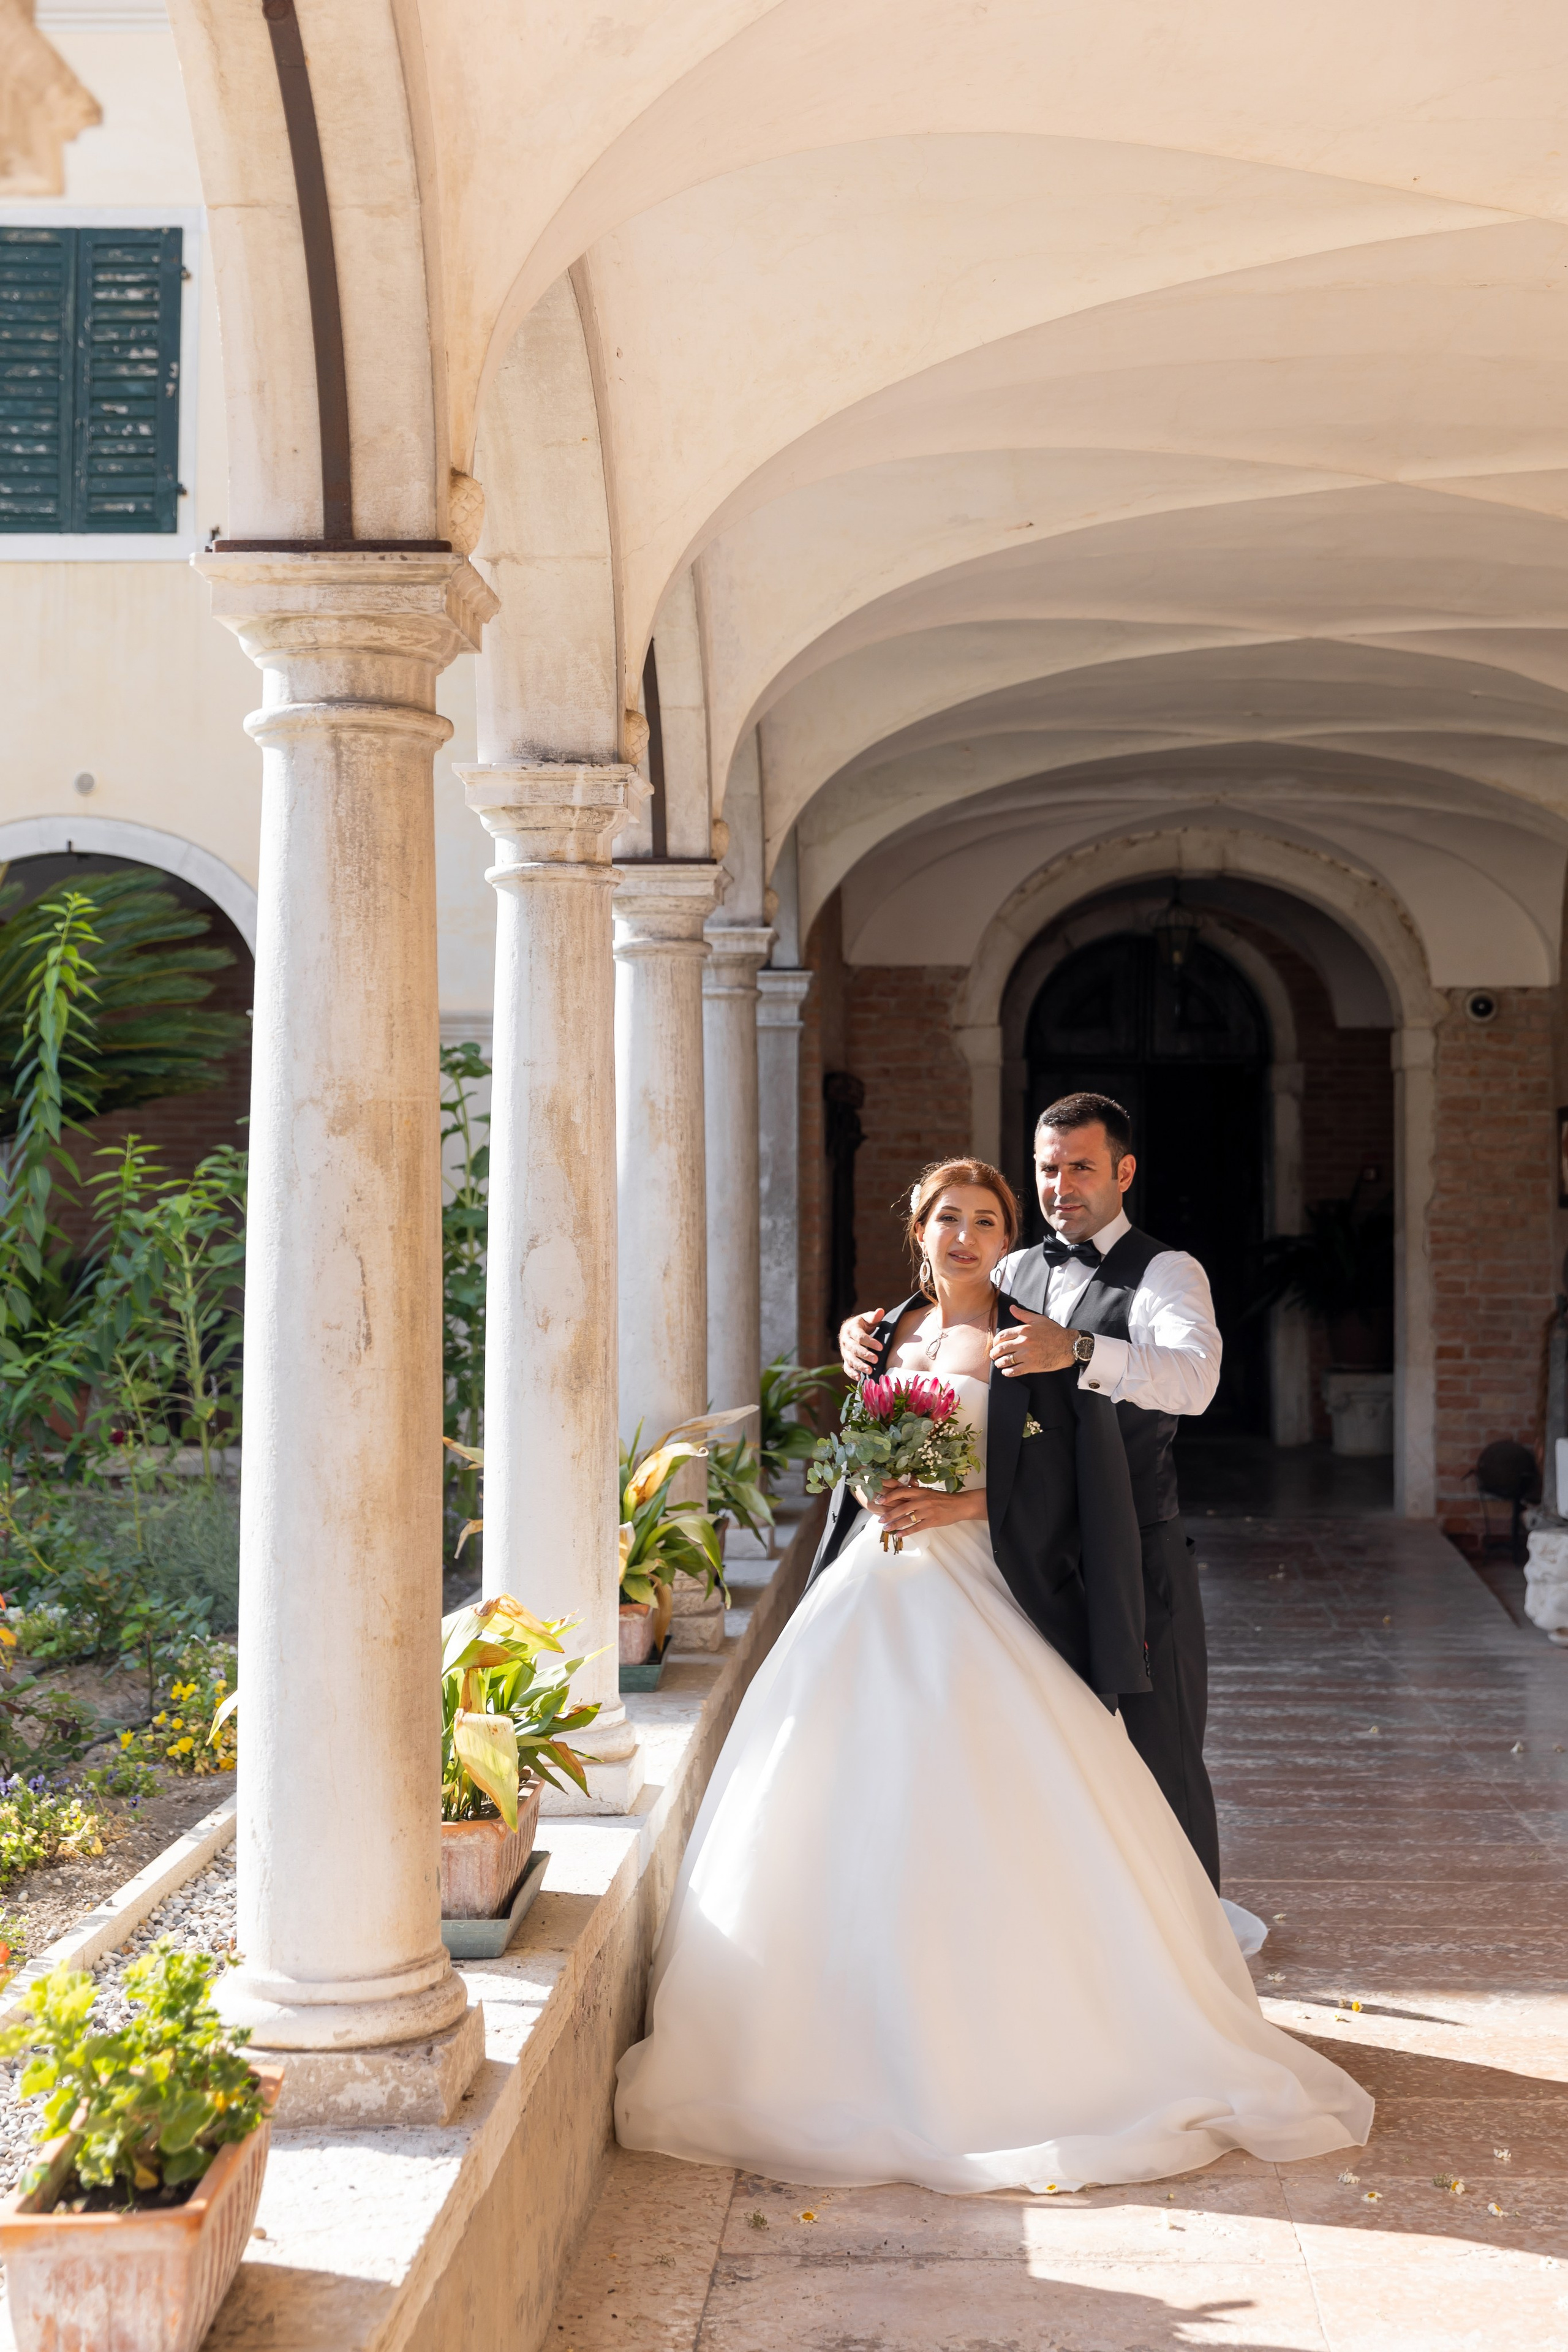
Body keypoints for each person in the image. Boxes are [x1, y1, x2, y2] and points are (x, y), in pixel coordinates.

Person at [616, 1159, 1371, 2195]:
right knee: (835, 1805)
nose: (964, 1236)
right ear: (916, 1230)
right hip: (865, 1597)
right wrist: (876, 1463)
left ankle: (1011, 2047)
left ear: (1004, 1239)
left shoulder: (1027, 1341)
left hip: (978, 1591)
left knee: (994, 1804)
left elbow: (1067, 1483)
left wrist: (958, 1507)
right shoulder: (883, 1334)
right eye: (946, 1218)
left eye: (984, 1221)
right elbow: (863, 1460)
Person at [840, 1093, 1224, 1892]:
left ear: (1124, 1170)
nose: (1061, 1186)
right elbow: (947, 1324)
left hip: (1130, 1542)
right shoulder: (1014, 1265)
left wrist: (1079, 1347)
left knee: (1159, 1744)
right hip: (1024, 1549)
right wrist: (868, 1336)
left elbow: (1194, 1382)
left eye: (1081, 1167)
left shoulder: (1166, 1272)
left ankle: (1194, 1936)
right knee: (1042, 1744)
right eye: (1048, 1169)